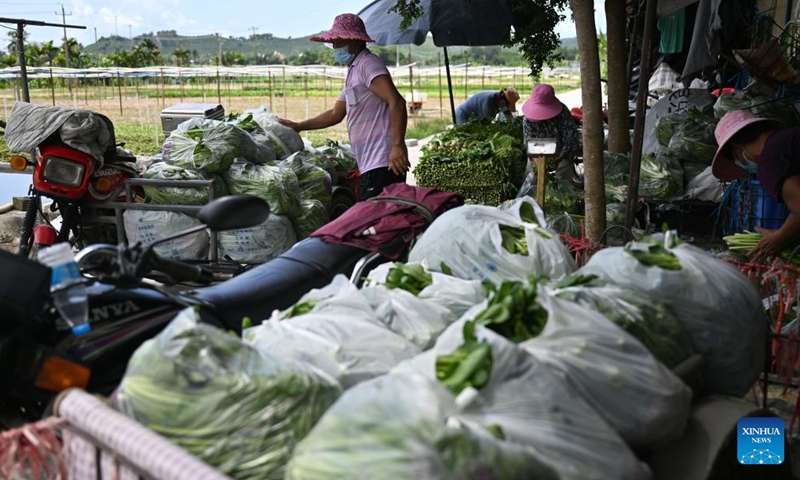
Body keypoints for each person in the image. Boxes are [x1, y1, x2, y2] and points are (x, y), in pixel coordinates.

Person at [279, 13, 409, 201]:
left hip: (384, 161)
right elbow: (335, 114)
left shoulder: (368, 64)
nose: (335, 48)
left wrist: (397, 146)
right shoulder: (353, 71)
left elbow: (397, 101)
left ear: (354, 41)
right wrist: (299, 126)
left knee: (377, 222)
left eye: (339, 42)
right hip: (370, 164)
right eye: (334, 43)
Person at [711, 109, 799, 260]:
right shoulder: (787, 140)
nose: (741, 164)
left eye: (736, 159)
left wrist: (779, 238)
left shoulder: (769, 159)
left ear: (737, 149)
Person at [521, 83, 581, 186]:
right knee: (531, 179)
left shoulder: (562, 113)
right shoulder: (528, 118)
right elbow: (528, 140)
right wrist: (536, 160)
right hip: (537, 150)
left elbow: (570, 138)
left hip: (561, 151)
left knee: (562, 181)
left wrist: (560, 158)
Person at [455, 88, 520, 125]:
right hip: (463, 114)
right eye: (507, 105)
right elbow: (486, 125)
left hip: (473, 116)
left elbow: (508, 114)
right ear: (503, 102)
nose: (507, 107)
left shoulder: (500, 99)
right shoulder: (489, 103)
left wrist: (513, 124)